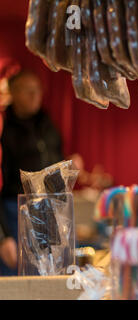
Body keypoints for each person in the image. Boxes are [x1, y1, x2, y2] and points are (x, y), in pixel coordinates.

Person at [0, 70, 63, 275]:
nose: (35, 95)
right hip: (15, 211)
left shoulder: (47, 123)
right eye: (28, 91)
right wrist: (3, 236)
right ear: (13, 93)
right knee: (20, 274)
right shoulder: (4, 129)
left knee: (51, 273)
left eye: (37, 90)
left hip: (49, 209)